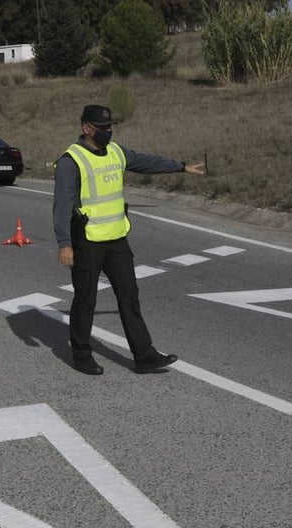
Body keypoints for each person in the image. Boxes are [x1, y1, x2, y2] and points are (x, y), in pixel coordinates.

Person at [54, 104, 205, 375]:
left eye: (110, 127)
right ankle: (81, 354)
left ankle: (144, 356)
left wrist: (180, 167)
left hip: (117, 240)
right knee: (85, 299)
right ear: (86, 128)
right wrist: (64, 244)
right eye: (101, 128)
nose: (107, 132)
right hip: (87, 241)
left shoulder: (116, 152)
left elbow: (146, 162)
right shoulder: (71, 160)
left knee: (129, 296)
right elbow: (61, 204)